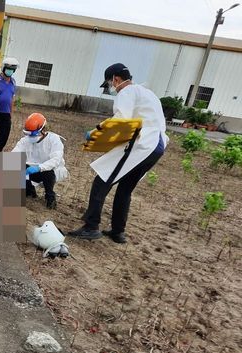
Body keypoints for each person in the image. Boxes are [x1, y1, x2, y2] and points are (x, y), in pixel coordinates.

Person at [69, 63, 168, 243]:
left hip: (141, 143)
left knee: (102, 180)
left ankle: (91, 227)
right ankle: (117, 232)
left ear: (116, 79)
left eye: (109, 84)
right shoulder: (149, 93)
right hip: (157, 146)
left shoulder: (127, 92)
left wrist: (96, 131)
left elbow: (121, 119)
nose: (111, 88)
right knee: (125, 188)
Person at [12, 113, 69, 209]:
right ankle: (29, 190)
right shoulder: (25, 140)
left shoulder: (54, 139)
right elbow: (14, 154)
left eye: (34, 133)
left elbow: (55, 160)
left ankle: (50, 196)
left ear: (43, 130)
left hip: (51, 171)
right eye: (28, 133)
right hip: (32, 169)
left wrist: (39, 167)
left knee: (48, 171)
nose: (31, 137)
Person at [0, 57, 19, 152]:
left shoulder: (13, 82)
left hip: (6, 114)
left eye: (12, 70)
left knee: (3, 137)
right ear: (3, 68)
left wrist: (10, 113)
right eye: (8, 69)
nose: (10, 71)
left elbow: (11, 98)